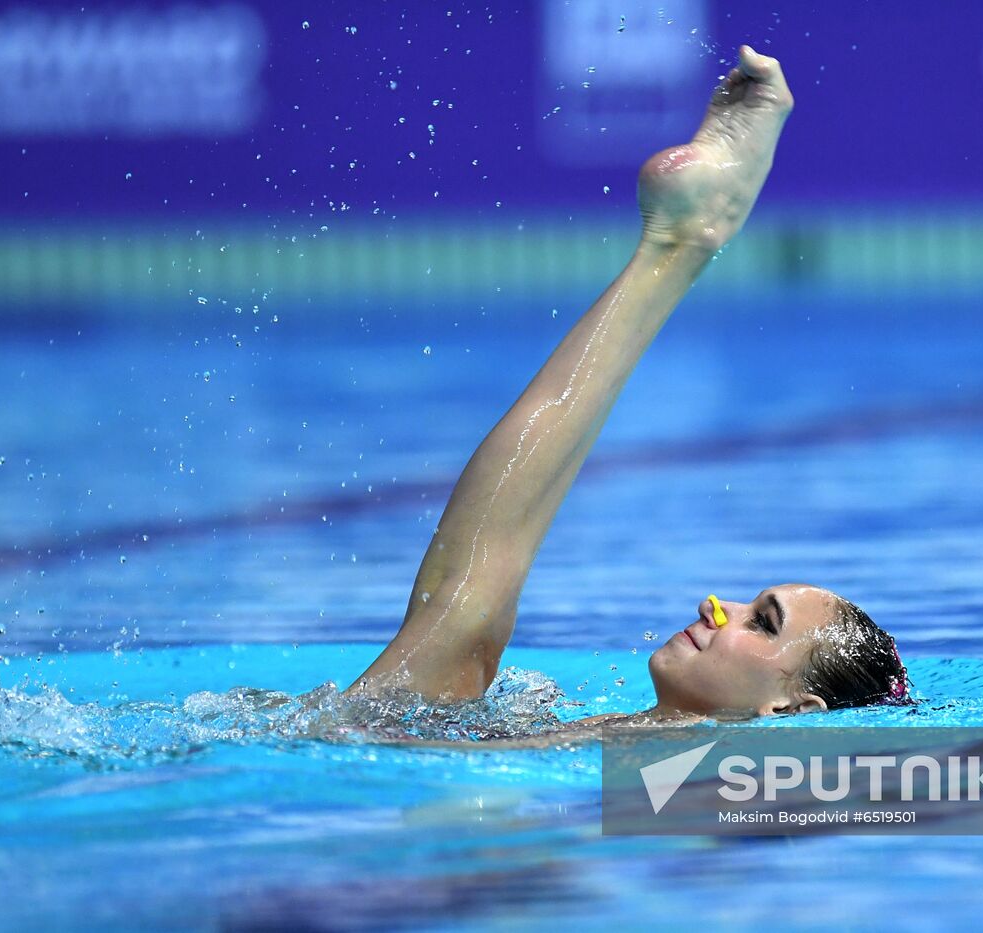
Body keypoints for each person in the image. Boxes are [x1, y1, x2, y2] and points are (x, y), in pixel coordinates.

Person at [345, 45, 907, 729]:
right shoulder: (631, 755)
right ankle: (677, 245)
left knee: (456, 635)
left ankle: (679, 246)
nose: (715, 605)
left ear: (791, 706)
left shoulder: (677, 782)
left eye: (761, 623)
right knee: (456, 637)